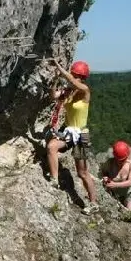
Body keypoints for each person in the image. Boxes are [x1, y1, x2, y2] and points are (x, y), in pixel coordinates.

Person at [46, 59, 99, 215]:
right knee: (51, 147)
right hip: (69, 132)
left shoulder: (85, 91)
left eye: (76, 76)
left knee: (82, 172)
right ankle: (55, 180)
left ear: (81, 77)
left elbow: (72, 82)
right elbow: (53, 96)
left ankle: (93, 203)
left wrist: (59, 67)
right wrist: (55, 80)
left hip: (81, 135)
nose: (74, 78)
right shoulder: (68, 92)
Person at [101, 140, 131, 211]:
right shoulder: (109, 163)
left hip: (128, 194)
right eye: (118, 160)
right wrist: (105, 178)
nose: (120, 162)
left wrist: (115, 184)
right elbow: (103, 173)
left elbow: (130, 182)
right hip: (113, 194)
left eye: (123, 160)